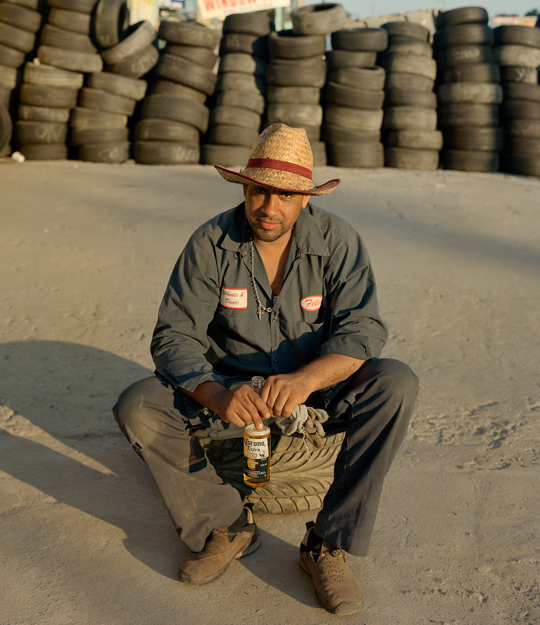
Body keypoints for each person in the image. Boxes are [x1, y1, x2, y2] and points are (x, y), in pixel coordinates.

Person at [113, 123, 418, 615]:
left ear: (305, 200)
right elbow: (173, 338)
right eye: (259, 191)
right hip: (230, 386)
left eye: (284, 196)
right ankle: (226, 524)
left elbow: (362, 330)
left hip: (312, 388)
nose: (268, 207)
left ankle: (326, 544)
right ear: (245, 188)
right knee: (138, 405)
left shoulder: (338, 241)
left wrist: (306, 381)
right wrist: (215, 394)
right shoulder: (210, 241)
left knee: (396, 382)